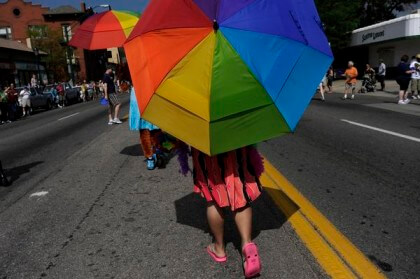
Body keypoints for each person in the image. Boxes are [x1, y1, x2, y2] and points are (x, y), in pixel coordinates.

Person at [186, 146, 263, 278]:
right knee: (240, 194)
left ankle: (219, 248)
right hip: (235, 141)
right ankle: (247, 243)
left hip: (206, 148)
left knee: (213, 197)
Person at [129, 88, 162, 170]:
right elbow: (123, 86)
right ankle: (149, 157)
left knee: (155, 131)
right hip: (139, 99)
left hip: (152, 95)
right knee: (144, 133)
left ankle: (155, 152)